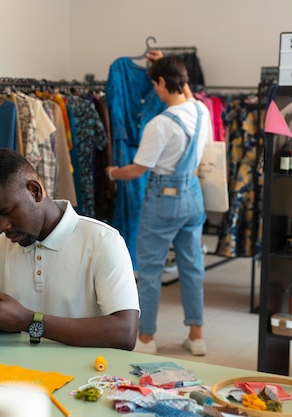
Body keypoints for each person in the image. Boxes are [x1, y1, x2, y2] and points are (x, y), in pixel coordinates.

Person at [0, 148, 139, 351]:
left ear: (35, 191)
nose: (3, 226)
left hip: (83, 377)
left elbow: (125, 333)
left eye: (7, 213)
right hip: (13, 375)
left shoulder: (103, 242)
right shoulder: (1, 246)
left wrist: (30, 322)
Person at [105, 51, 211, 356]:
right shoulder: (201, 111)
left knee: (150, 271)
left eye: (155, 84)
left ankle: (148, 339)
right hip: (193, 195)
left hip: (163, 199)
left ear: (163, 82)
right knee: (192, 268)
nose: (154, 90)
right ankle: (197, 336)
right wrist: (168, 64)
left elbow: (138, 169)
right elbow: (186, 94)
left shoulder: (159, 125)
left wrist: (112, 172)